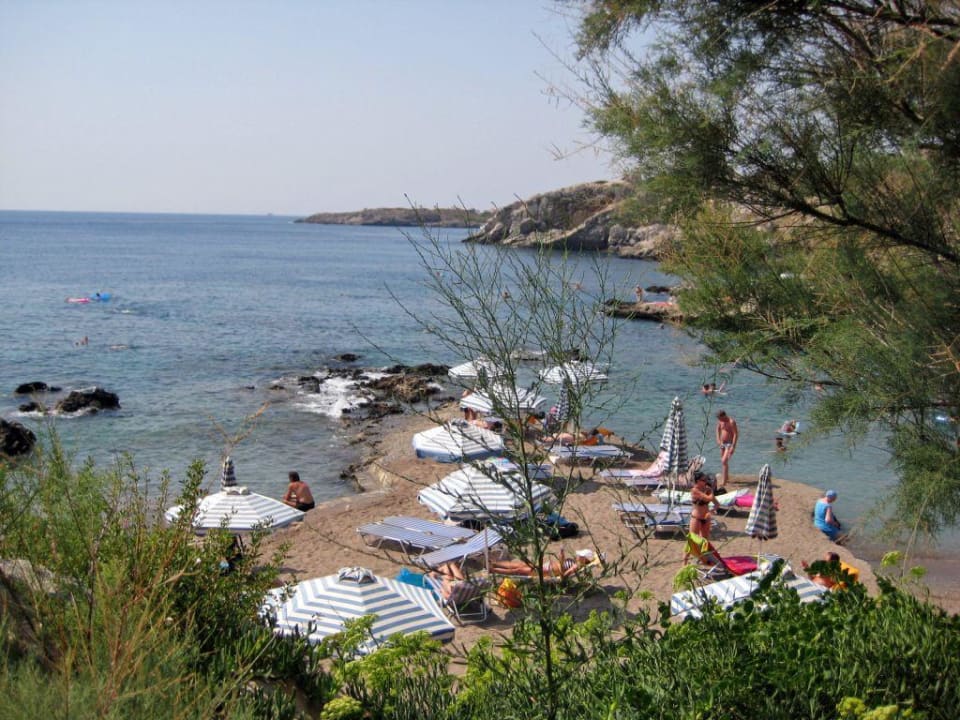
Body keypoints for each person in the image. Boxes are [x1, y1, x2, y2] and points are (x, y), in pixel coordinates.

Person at [488, 549, 593, 580]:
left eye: (581, 556)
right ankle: (495, 564)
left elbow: (563, 575)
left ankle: (493, 570)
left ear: (585, 559)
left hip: (546, 571)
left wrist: (561, 560)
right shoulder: (576, 563)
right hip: (546, 566)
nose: (579, 556)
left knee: (519, 570)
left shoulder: (576, 566)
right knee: (520, 565)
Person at [689, 472, 718, 540]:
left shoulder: (707, 489)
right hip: (696, 517)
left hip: (706, 517)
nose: (706, 482)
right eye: (704, 480)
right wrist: (711, 490)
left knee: (705, 540)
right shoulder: (694, 491)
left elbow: (717, 504)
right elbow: (709, 498)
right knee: (693, 540)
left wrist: (711, 511)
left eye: (706, 480)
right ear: (698, 481)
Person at [715, 410, 739, 487]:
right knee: (724, 462)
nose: (719, 420)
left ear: (724, 415)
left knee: (724, 461)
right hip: (722, 443)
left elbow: (736, 434)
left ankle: (724, 482)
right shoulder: (720, 421)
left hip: (729, 444)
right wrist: (718, 439)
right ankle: (727, 477)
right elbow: (717, 429)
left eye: (720, 418)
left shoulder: (731, 422)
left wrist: (733, 446)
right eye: (718, 419)